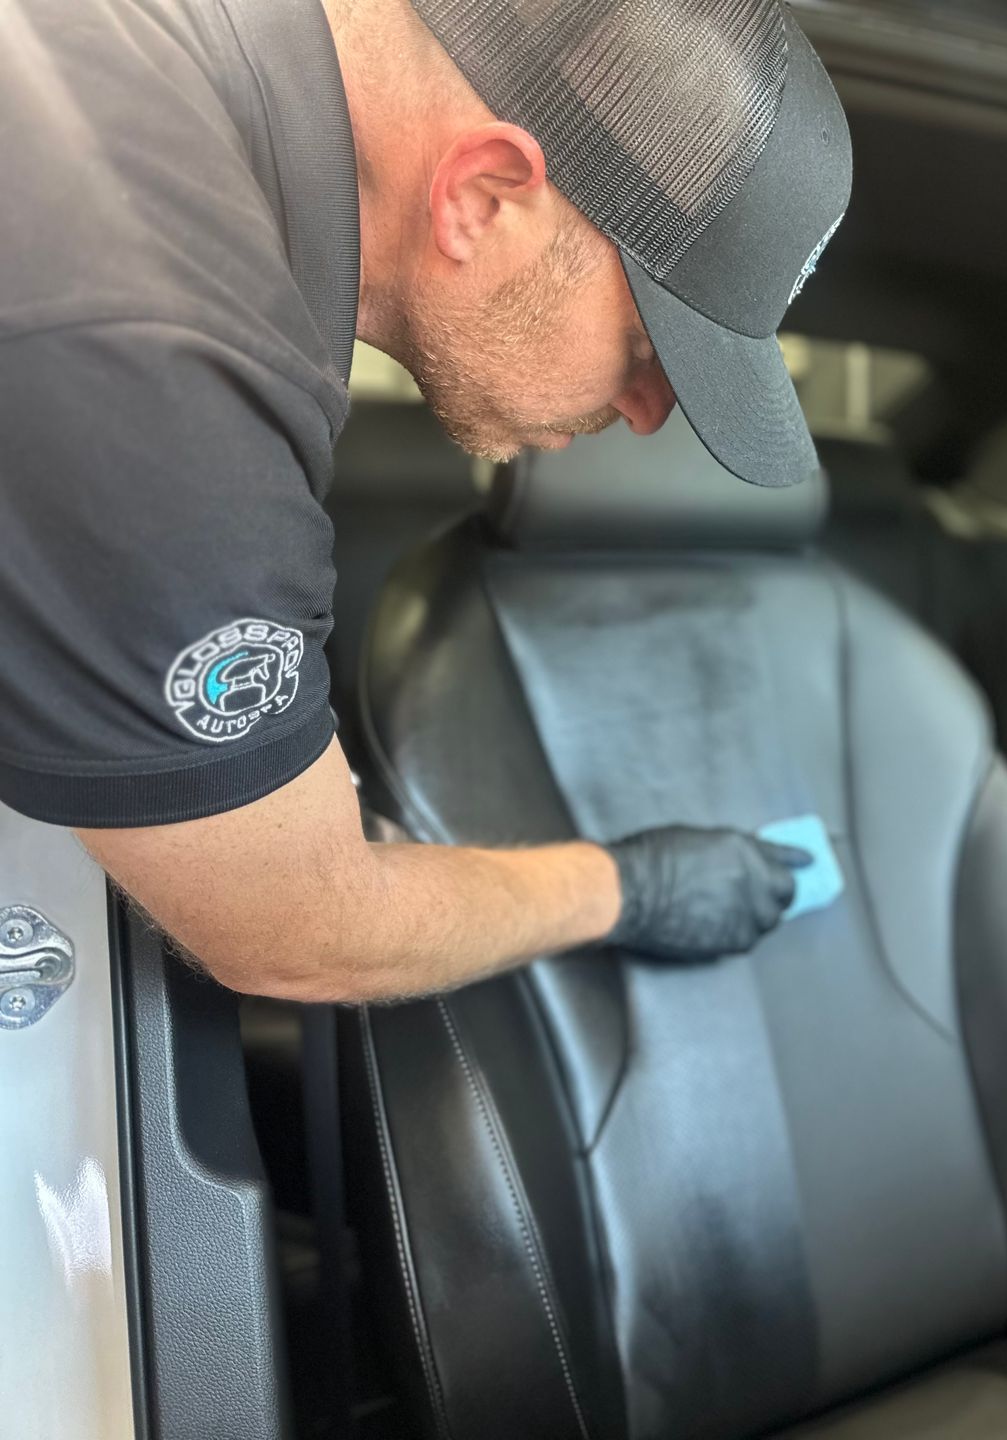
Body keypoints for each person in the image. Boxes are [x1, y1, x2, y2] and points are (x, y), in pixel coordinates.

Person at [0, 0, 853, 1000]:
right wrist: (626, 888)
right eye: (645, 350)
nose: (649, 413)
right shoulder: (162, 350)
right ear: (485, 195)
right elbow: (300, 925)